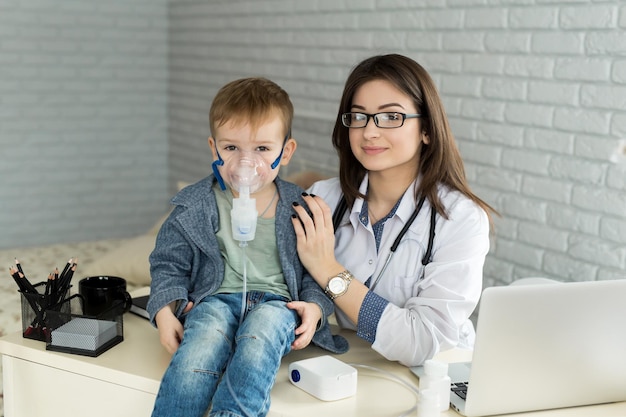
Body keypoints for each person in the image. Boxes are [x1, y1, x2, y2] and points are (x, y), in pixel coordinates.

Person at [147, 77, 347, 417]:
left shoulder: (300, 209)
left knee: (260, 336)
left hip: (276, 303)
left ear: (286, 152)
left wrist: (314, 308)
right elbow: (168, 264)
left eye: (262, 149)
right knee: (201, 345)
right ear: (214, 148)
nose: (245, 163)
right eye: (231, 148)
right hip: (215, 300)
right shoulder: (194, 207)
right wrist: (165, 310)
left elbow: (317, 269)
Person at [291, 54, 497, 367]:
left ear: (426, 130)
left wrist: (328, 270)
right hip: (347, 367)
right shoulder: (321, 201)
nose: (370, 132)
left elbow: (421, 340)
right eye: (359, 116)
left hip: (431, 378)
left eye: (391, 117)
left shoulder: (461, 219)